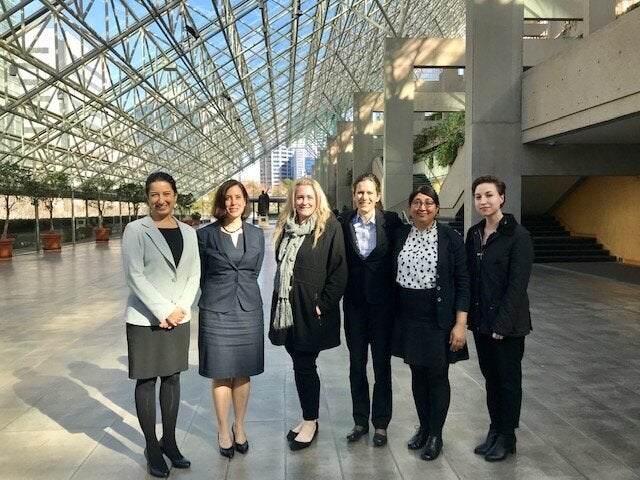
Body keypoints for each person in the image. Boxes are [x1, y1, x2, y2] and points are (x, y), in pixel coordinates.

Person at [122, 171, 200, 478]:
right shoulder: (135, 230)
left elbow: (194, 273)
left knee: (172, 378)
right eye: (154, 194)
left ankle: (169, 441)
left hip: (178, 317)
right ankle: (152, 447)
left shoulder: (189, 232)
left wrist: (180, 308)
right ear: (147, 197)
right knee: (147, 380)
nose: (161, 199)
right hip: (145, 320)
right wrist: (163, 310)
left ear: (175, 197)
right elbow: (133, 275)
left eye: (166, 193)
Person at [268, 177, 347, 451]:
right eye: (299, 197)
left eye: (309, 198)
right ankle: (307, 417)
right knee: (299, 364)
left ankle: (311, 421)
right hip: (288, 308)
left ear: (318, 199)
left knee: (305, 365)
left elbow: (339, 272)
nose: (303, 202)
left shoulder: (329, 227)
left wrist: (321, 304)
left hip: (310, 309)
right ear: (293, 199)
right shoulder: (288, 226)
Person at [392, 185, 469, 461]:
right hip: (408, 320)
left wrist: (460, 324)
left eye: (428, 203)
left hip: (438, 320)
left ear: (437, 208)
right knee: (417, 375)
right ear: (410, 207)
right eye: (416, 202)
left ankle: (436, 435)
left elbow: (463, 283)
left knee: (437, 376)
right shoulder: (400, 234)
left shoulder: (450, 238)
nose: (422, 207)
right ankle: (423, 428)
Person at [465, 175, 534, 462]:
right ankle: (495, 429)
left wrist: (502, 326)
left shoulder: (518, 236)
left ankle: (508, 436)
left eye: (489, 195)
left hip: (507, 327)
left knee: (508, 382)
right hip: (482, 324)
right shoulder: (474, 233)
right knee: (491, 381)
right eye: (479, 196)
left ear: (502, 198)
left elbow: (518, 286)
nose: (484, 201)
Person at [197, 179, 265, 459]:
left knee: (243, 371)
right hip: (216, 310)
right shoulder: (205, 235)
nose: (233, 202)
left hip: (248, 309)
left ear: (245, 201)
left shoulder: (256, 234)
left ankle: (240, 426)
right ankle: (223, 429)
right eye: (227, 197)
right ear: (221, 202)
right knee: (221, 372)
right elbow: (201, 274)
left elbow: (254, 270)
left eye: (238, 197)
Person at [338, 173, 402, 446]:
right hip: (354, 306)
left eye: (369, 192)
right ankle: (360, 420)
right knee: (356, 364)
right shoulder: (342, 223)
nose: (364, 197)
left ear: (378, 195)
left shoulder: (392, 223)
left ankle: (381, 423)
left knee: (381, 365)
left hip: (383, 307)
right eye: (359, 193)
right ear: (354, 195)